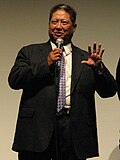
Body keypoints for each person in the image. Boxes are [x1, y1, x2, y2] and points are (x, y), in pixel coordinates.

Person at [8, 3, 117, 160]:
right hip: (37, 130)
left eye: (64, 22)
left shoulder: (87, 58)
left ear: (74, 27)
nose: (58, 26)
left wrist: (98, 70)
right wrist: (46, 63)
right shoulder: (30, 52)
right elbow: (14, 80)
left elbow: (109, 92)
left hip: (73, 131)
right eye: (54, 22)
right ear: (49, 24)